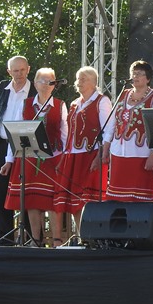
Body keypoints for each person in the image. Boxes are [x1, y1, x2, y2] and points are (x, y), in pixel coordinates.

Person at [0, 67, 68, 246]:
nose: (45, 85)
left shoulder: (60, 105)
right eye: (42, 81)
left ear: (54, 85)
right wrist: (9, 160)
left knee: (53, 200)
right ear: (35, 83)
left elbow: (66, 136)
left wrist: (64, 160)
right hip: (29, 158)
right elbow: (14, 133)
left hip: (53, 159)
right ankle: (36, 240)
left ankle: (57, 240)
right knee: (32, 200)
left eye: (49, 81)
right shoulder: (26, 104)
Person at [0, 56, 36, 246]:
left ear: (28, 69)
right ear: (9, 72)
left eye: (22, 70)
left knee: (26, 192)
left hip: (26, 146)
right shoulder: (0, 88)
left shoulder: (35, 90)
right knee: (2, 193)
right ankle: (5, 241)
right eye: (15, 70)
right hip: (2, 144)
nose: (19, 74)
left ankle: (30, 239)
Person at [55, 66, 112, 239]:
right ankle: (82, 237)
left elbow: (107, 130)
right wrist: (63, 157)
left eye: (83, 79)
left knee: (89, 198)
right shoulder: (74, 103)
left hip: (91, 154)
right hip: (73, 155)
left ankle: (93, 237)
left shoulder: (102, 101)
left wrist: (100, 155)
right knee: (75, 199)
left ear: (94, 82)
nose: (79, 82)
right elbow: (69, 133)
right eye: (78, 79)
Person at [102, 61, 153, 202]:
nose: (135, 76)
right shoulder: (123, 94)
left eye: (139, 74)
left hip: (141, 155)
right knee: (117, 199)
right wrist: (105, 148)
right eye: (133, 73)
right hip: (118, 154)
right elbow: (112, 124)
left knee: (139, 200)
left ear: (148, 78)